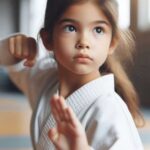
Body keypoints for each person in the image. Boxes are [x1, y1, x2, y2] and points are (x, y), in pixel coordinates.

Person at [0, 0, 144, 149]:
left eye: (98, 30)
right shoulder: (45, 79)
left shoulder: (111, 112)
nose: (84, 42)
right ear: (48, 39)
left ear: (112, 43)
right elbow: (9, 62)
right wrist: (14, 48)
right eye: (70, 28)